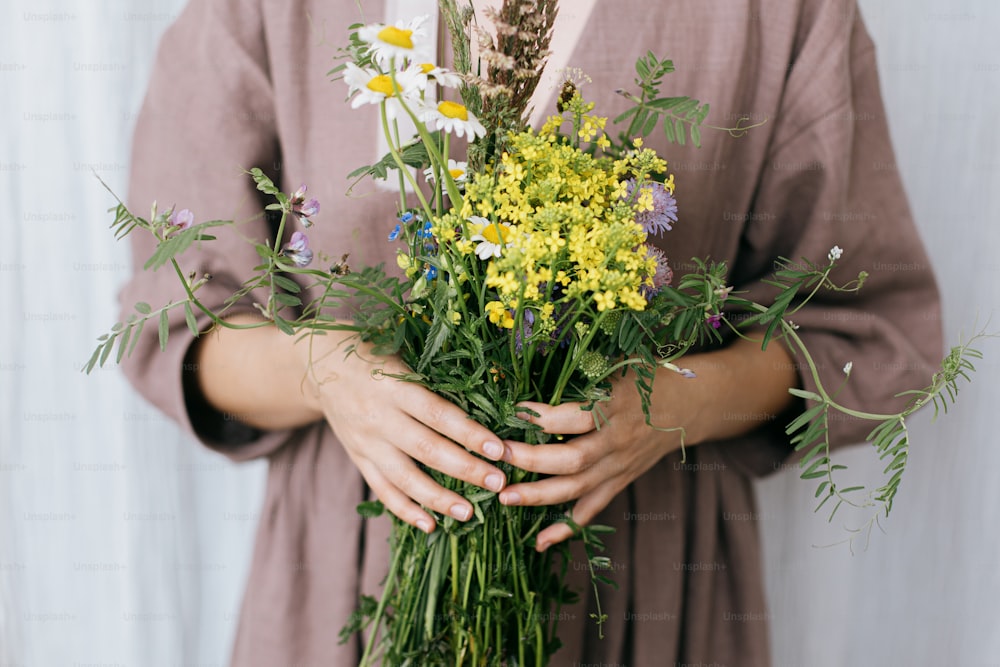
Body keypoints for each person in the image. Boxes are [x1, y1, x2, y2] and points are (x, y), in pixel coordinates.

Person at [119, 0, 942, 664]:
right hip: (353, 578)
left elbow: (865, 328)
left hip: (643, 587)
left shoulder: (779, 13)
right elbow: (175, 328)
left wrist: (675, 403)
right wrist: (323, 372)